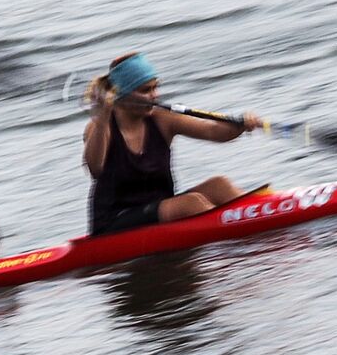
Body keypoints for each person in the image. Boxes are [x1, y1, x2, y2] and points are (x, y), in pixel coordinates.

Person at [82, 51, 264, 235]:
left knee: (219, 185)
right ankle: (237, 234)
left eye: (156, 87)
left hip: (159, 208)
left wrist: (241, 125)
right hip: (115, 220)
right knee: (191, 204)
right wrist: (102, 119)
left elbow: (213, 131)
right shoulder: (99, 128)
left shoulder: (162, 119)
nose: (155, 95)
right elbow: (96, 169)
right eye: (146, 90)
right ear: (122, 96)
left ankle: (264, 214)